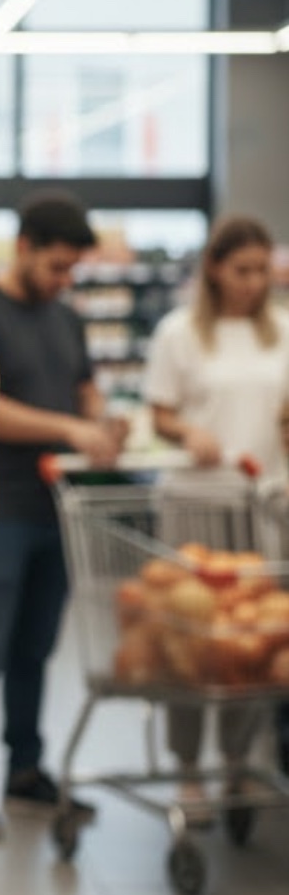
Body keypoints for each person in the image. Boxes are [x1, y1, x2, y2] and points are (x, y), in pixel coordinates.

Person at [0, 193, 124, 841]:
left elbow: (82, 384)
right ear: (23, 246)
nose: (64, 280)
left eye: (72, 269)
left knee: (35, 650)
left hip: (58, 511)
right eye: (56, 266)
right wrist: (72, 429)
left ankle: (26, 771)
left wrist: (102, 418)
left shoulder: (67, 317)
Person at [143, 214, 289, 808]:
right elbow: (160, 414)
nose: (254, 283)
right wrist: (188, 433)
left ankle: (236, 759)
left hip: (262, 506)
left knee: (251, 639)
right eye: (242, 270)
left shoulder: (281, 331)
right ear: (215, 268)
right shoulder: (179, 333)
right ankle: (185, 765)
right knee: (191, 640)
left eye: (262, 271)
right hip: (194, 507)